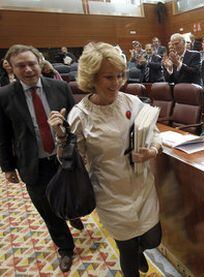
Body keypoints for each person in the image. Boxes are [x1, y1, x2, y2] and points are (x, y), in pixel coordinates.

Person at [48, 42, 162, 277]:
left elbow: (154, 131)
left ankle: (140, 248)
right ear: (92, 78)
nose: (117, 82)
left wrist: (153, 150)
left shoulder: (132, 101)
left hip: (143, 187)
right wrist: (61, 136)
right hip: (110, 194)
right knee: (127, 251)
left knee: (153, 238)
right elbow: (70, 159)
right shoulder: (80, 115)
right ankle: (133, 254)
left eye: (120, 75)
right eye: (109, 77)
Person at [0, 44, 82, 272]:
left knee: (71, 195)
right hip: (32, 163)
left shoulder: (60, 87)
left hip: (63, 159)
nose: (28, 69)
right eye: (21, 66)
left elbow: (76, 123)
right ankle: (65, 247)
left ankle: (72, 214)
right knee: (46, 208)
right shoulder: (4, 96)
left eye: (31, 63)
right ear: (12, 69)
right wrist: (7, 167)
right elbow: (3, 136)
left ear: (40, 62)